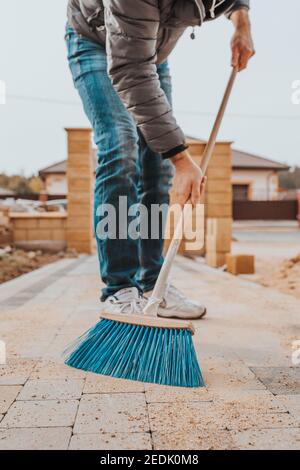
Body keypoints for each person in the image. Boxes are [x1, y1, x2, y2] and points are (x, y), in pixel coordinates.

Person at [65, 0, 254, 318]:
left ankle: (153, 284)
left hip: (151, 52)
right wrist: (181, 159)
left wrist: (241, 25)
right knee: (120, 146)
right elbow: (131, 70)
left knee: (156, 166)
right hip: (96, 42)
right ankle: (120, 289)